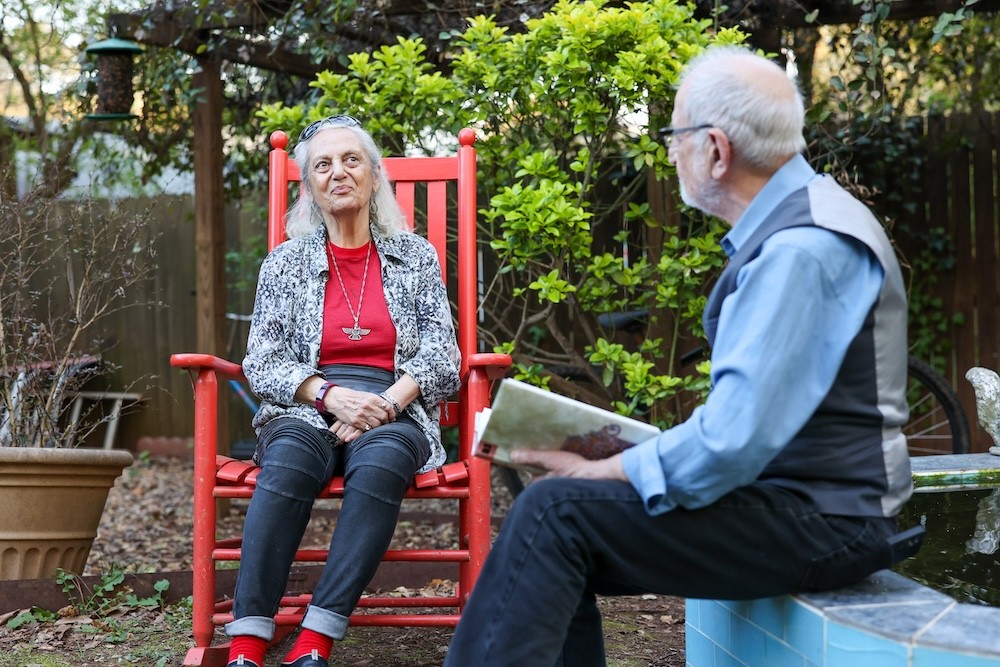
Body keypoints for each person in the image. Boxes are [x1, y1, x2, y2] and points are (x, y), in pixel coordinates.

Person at [443, 45, 918, 667]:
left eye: (674, 136)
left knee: (554, 513)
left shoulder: (799, 251)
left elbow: (731, 442)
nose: (669, 152)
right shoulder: (807, 225)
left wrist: (606, 471)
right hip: (804, 501)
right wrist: (610, 456)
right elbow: (750, 429)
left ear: (717, 150)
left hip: (828, 517)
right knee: (562, 525)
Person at [225, 114, 461, 667]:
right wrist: (330, 396)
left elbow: (442, 355)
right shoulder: (284, 263)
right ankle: (246, 644)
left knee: (381, 465)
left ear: (375, 176)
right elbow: (261, 360)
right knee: (285, 461)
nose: (338, 173)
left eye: (351, 160)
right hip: (308, 406)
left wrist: (384, 403)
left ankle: (314, 641)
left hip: (394, 408)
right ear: (309, 187)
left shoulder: (415, 258)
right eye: (323, 165)